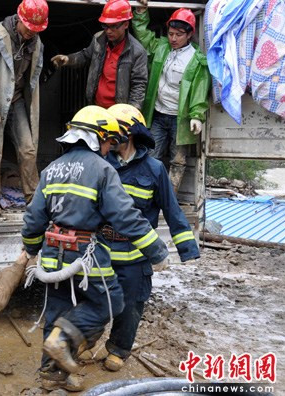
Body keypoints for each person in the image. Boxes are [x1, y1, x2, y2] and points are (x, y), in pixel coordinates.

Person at [21, 105, 169, 391]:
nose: (108, 148)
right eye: (107, 141)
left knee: (58, 311)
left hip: (54, 256)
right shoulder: (102, 170)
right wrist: (157, 252)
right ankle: (63, 340)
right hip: (86, 257)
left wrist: (30, 248)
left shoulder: (51, 169)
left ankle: (52, 374)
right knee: (111, 302)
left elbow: (33, 218)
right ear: (97, 137)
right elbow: (125, 216)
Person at [102, 103, 200, 371]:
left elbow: (171, 208)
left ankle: (118, 349)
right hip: (101, 252)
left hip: (135, 256)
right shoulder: (100, 164)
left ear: (130, 132)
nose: (108, 137)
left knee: (131, 305)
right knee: (95, 300)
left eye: (113, 130)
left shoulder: (154, 169)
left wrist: (187, 250)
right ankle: (88, 341)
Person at [0, 0, 48, 216]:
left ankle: (33, 198)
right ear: (19, 19)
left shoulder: (36, 43)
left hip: (16, 99)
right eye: (29, 28)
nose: (31, 33)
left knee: (28, 148)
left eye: (36, 29)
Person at [132, 5, 211, 193]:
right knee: (151, 155)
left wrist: (196, 115)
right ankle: (147, 194)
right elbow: (142, 36)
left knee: (178, 161)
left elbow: (200, 90)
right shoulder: (161, 47)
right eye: (170, 33)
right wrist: (141, 13)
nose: (173, 38)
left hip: (180, 118)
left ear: (189, 34)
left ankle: (170, 197)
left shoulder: (197, 59)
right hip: (158, 113)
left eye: (179, 34)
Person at [50, 0, 148, 110]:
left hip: (119, 113)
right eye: (105, 26)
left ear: (125, 24)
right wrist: (68, 59)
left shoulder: (137, 52)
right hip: (96, 107)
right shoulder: (98, 39)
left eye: (113, 26)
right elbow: (86, 56)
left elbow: (138, 86)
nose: (108, 31)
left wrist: (130, 113)